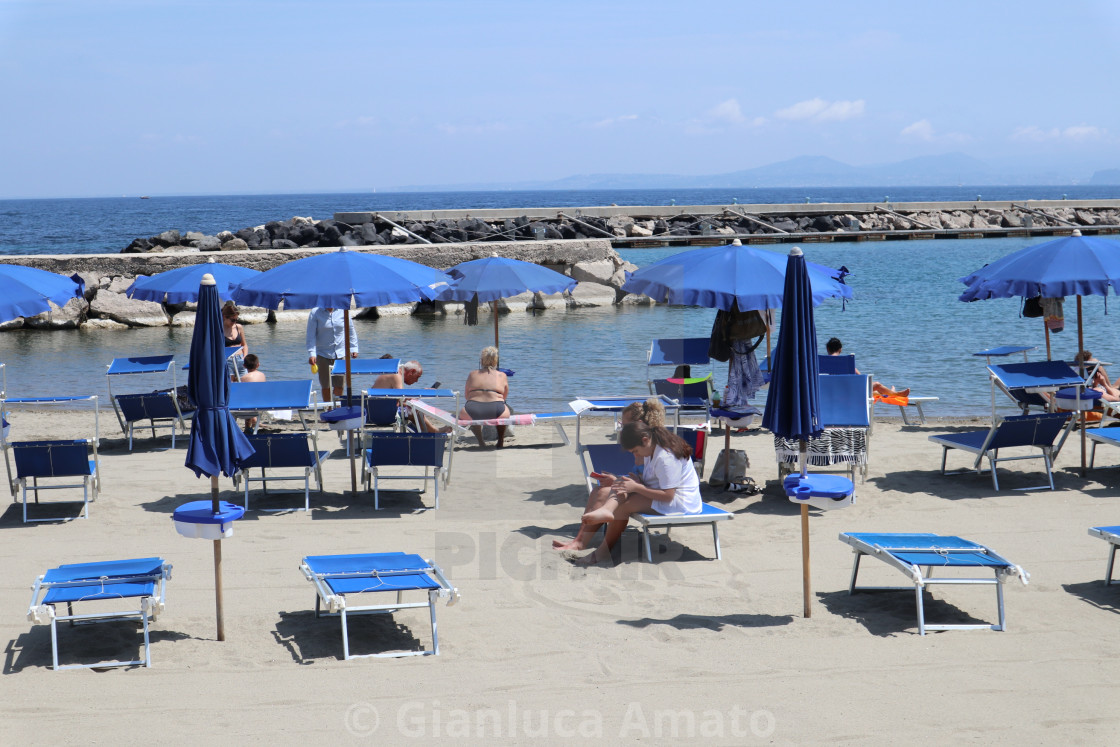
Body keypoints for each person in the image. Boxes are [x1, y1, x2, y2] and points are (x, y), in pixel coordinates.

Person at [561, 421, 702, 566]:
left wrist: (636, 487)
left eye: (635, 451)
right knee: (602, 492)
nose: (635, 455)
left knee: (623, 506)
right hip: (663, 495)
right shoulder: (652, 449)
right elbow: (654, 481)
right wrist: (626, 482)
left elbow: (668, 495)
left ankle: (603, 552)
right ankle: (581, 540)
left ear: (645, 440)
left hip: (680, 502)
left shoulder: (665, 457)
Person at [553, 398, 668, 553]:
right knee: (597, 491)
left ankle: (582, 543)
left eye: (624, 425)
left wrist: (629, 485)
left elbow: (658, 485)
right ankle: (579, 541)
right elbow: (640, 478)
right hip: (643, 492)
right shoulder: (643, 446)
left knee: (602, 494)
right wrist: (616, 480)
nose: (621, 429)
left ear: (638, 424)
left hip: (655, 497)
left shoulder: (652, 449)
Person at [826, 337, 909, 399]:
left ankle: (889, 392)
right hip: (848, 393)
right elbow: (861, 379)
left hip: (830, 392)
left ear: (828, 349)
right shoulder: (846, 362)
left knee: (873, 391)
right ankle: (896, 394)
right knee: (877, 384)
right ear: (840, 349)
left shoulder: (822, 362)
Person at [306, 307, 358, 405]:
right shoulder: (315, 312)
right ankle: (328, 408)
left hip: (341, 353)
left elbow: (351, 331)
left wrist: (354, 348)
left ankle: (336, 408)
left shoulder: (343, 311)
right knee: (326, 385)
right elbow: (310, 335)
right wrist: (312, 353)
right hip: (322, 354)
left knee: (339, 385)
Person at [459, 346, 510, 448]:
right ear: (496, 360)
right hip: (497, 409)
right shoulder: (502, 375)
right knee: (506, 409)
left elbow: (466, 396)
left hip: (472, 409)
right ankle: (500, 441)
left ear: (481, 360)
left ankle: (481, 441)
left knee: (471, 411)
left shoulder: (472, 374)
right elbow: (504, 397)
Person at [239, 353, 265, 432]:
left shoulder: (244, 378)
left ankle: (247, 427)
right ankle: (252, 424)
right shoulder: (262, 375)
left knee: (247, 399)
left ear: (244, 366)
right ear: (258, 365)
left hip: (249, 406)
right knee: (251, 398)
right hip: (262, 403)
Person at [222, 302, 248, 380]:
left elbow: (244, 344)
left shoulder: (238, 327)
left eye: (236, 319)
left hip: (240, 358)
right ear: (224, 317)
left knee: (244, 383)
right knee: (230, 384)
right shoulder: (219, 329)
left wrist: (245, 357)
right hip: (227, 359)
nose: (234, 322)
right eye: (233, 320)